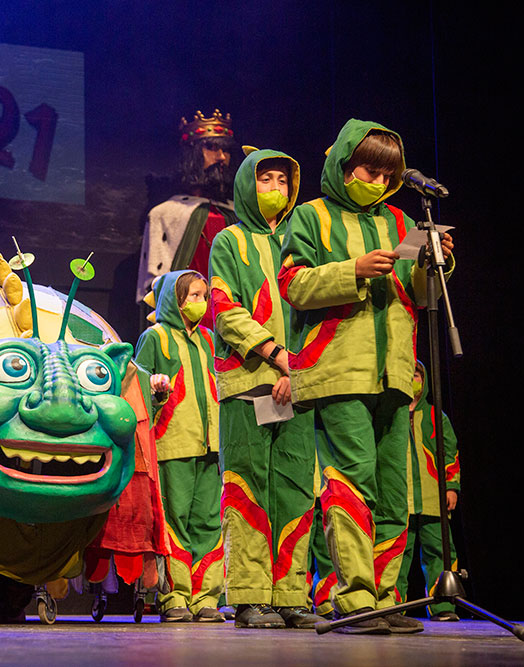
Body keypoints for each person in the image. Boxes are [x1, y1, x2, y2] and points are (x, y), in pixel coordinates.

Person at [278, 119, 455, 635]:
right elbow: (292, 284)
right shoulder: (311, 216)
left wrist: (434, 263)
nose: (377, 182)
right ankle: (354, 597)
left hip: (395, 374)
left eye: (386, 175)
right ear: (343, 166)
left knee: (394, 490)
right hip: (339, 370)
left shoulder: (400, 220)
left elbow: (419, 296)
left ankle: (386, 597)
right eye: (368, 171)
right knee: (352, 480)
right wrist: (352, 269)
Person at [210, 149, 322, 629]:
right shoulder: (229, 241)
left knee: (296, 489)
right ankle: (251, 596)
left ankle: (291, 594)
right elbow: (225, 309)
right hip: (248, 383)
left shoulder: (301, 243)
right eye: (265, 179)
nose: (275, 188)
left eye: (282, 180)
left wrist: (299, 371)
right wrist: (278, 357)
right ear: (245, 186)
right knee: (248, 486)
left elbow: (316, 306)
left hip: (300, 384)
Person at [134, 270, 224, 622]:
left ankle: (206, 597)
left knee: (208, 521)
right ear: (175, 299)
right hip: (173, 442)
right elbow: (138, 388)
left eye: (203, 296)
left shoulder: (208, 339)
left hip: (209, 444)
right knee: (175, 521)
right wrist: (154, 386)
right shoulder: (155, 337)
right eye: (193, 296)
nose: (200, 302)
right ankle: (175, 596)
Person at [137, 109, 241, 326]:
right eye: (211, 148)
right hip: (186, 323)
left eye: (225, 150)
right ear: (192, 154)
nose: (222, 157)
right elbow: (154, 284)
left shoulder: (237, 215)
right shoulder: (166, 214)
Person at [396, 361, 461, 621]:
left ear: (424, 381)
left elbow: (450, 454)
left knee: (440, 552)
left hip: (433, 497)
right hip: (400, 497)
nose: (413, 380)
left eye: (417, 375)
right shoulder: (392, 414)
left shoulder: (436, 416)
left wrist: (452, 487)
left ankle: (444, 606)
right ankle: (393, 607)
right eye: (409, 374)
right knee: (397, 554)